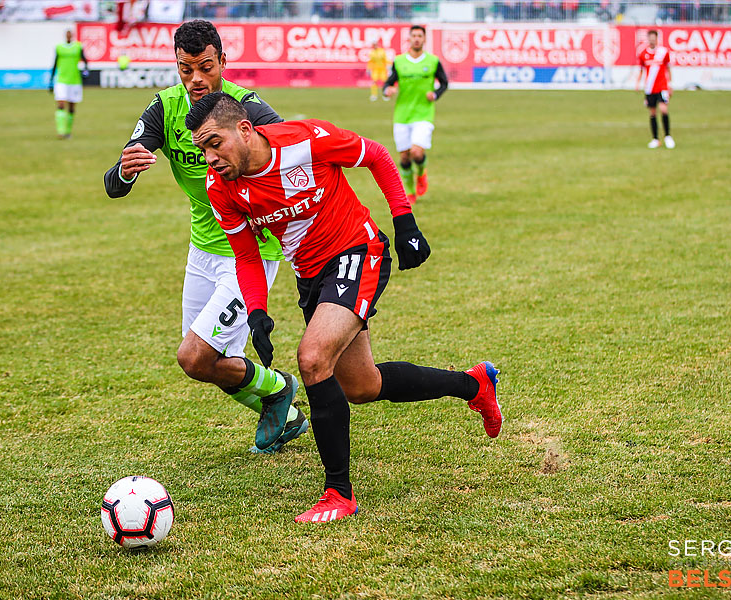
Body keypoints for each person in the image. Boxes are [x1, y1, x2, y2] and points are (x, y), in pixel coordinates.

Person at [187, 92, 502, 523]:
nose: (210, 158)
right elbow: (245, 256)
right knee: (362, 386)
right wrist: (257, 312)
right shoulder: (220, 187)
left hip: (357, 249)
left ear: (244, 130)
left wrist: (404, 220)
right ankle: (474, 384)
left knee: (312, 359)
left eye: (214, 143)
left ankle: (338, 493)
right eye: (202, 149)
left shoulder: (304, 140)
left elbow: (375, 155)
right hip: (309, 274)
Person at [103, 20, 306, 454]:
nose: (196, 79)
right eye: (185, 68)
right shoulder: (164, 109)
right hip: (202, 251)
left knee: (195, 356)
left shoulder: (246, 109)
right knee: (203, 364)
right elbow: (113, 184)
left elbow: (295, 152)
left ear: (222, 63)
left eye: (205, 67)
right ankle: (282, 406)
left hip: (249, 252)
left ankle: (279, 388)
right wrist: (124, 170)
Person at [382, 25, 448, 204]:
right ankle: (410, 190)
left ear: (424, 39)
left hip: (423, 114)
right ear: (409, 39)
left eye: (420, 36)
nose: (417, 39)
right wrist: (387, 91)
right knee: (404, 156)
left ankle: (421, 173)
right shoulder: (399, 61)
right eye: (414, 36)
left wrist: (435, 94)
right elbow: (388, 83)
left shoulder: (433, 61)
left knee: (417, 153)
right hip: (402, 115)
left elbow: (444, 83)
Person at [635, 30, 675, 149]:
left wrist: (670, 84)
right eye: (650, 38)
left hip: (662, 86)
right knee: (652, 113)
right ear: (648, 39)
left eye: (654, 38)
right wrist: (637, 83)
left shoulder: (663, 52)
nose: (652, 40)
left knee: (663, 110)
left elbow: (668, 68)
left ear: (657, 38)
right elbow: (641, 70)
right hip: (649, 88)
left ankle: (668, 136)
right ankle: (655, 139)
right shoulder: (643, 54)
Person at [49, 29, 89, 139]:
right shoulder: (59, 47)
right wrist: (51, 80)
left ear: (72, 35)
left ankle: (68, 131)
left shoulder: (78, 47)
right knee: (61, 104)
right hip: (61, 80)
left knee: (71, 107)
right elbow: (55, 63)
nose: (68, 35)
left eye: (70, 34)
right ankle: (60, 131)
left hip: (75, 80)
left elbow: (85, 60)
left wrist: (86, 71)